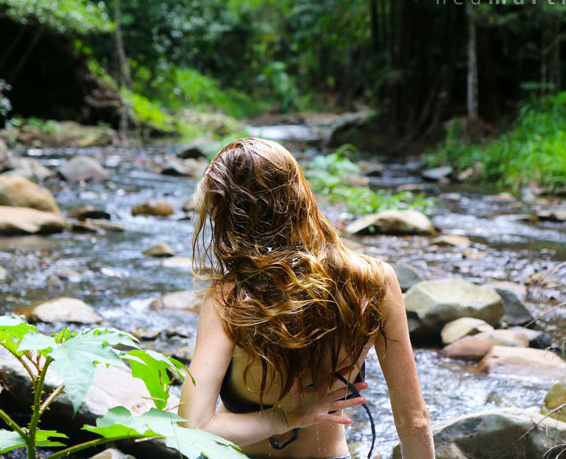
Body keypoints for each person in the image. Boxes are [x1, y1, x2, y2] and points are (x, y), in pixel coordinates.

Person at [179, 138, 435, 459]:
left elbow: (191, 428)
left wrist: (283, 417)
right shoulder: (373, 280)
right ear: (300, 197)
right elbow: (414, 421)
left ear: (226, 216)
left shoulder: (230, 297)